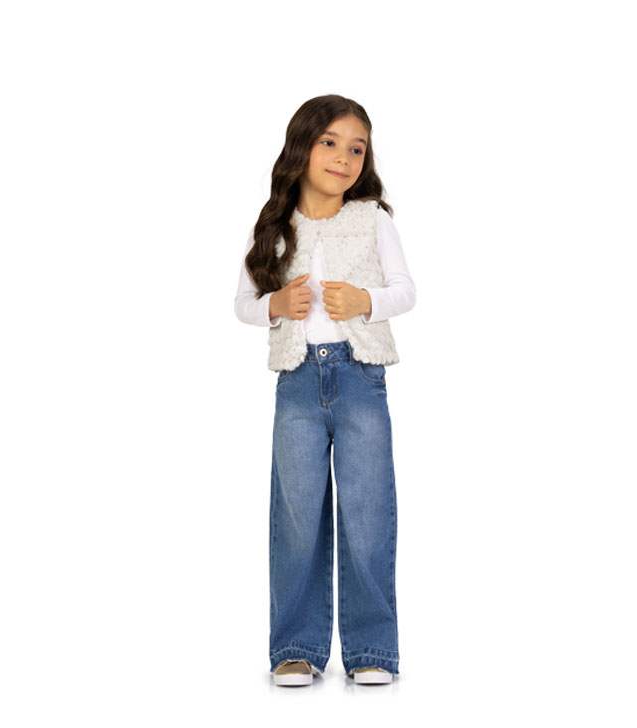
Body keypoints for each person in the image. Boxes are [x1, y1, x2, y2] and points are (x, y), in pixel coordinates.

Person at [234, 94, 416, 686]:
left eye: (357, 148)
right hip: (297, 383)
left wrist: (365, 300)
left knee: (367, 511)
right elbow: (243, 303)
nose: (344, 158)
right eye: (330, 143)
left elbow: (405, 290)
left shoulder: (373, 219)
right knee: (296, 516)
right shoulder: (274, 225)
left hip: (361, 377)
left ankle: (372, 650)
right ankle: (296, 646)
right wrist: (274, 305)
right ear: (301, 148)